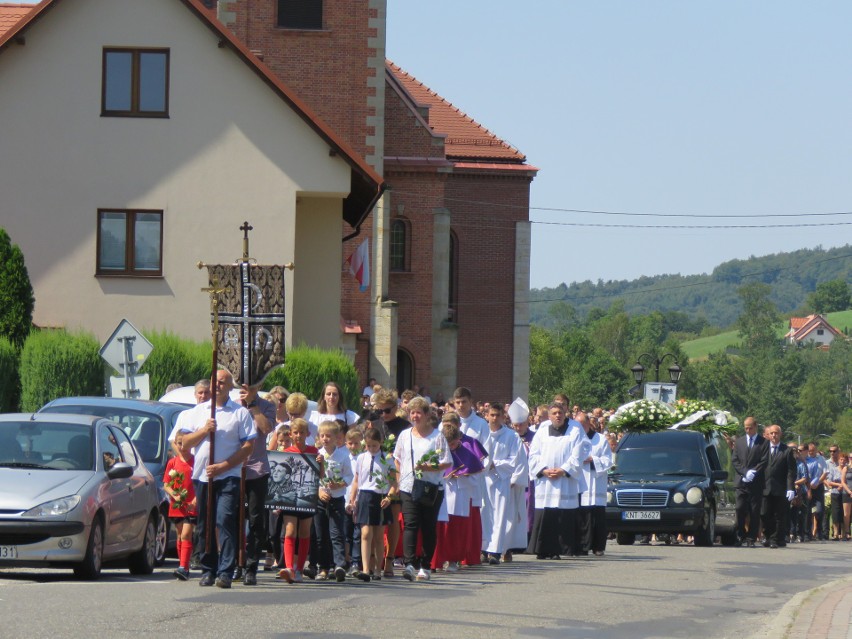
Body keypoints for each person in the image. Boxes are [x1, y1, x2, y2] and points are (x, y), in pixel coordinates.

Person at [180, 369, 256, 588]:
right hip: (202, 477)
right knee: (205, 524)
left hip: (228, 477)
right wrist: (205, 430)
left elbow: (248, 446)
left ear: (230, 387)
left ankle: (225, 571)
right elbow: (185, 443)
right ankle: (208, 569)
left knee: (224, 521)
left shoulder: (239, 413)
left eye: (223, 383)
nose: (218, 386)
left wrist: (224, 466)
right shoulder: (198, 412)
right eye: (215, 382)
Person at [393, 396, 452, 582]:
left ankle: (425, 565)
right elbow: (397, 458)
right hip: (408, 487)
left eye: (419, 412)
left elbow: (446, 462)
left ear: (427, 415)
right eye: (412, 412)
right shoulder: (405, 435)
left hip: (431, 487)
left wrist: (429, 468)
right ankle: (409, 564)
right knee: (410, 524)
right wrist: (398, 480)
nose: (415, 416)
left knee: (428, 527)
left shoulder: (437, 436)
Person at [526, 403, 590, 560]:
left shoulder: (574, 431)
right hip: (546, 482)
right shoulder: (541, 432)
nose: (557, 415)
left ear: (565, 413)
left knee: (562, 515)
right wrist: (543, 469)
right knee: (545, 514)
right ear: (549, 416)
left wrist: (564, 470)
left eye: (560, 413)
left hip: (564, 481)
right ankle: (542, 549)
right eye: (554, 413)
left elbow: (578, 454)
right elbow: (533, 454)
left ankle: (560, 549)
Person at [433, 416, 484, 572]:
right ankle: (437, 560)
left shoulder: (468, 454)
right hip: (441, 494)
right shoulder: (438, 452)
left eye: (453, 444)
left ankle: (454, 560)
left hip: (459, 495)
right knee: (441, 529)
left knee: (457, 530)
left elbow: (476, 477)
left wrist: (461, 476)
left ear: (458, 440)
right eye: (448, 445)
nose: (451, 448)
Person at [277, 418, 324, 584]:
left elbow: (321, 476)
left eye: (301, 432)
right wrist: (276, 501)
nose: (298, 435)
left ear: (307, 434)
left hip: (307, 497)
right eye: (295, 432)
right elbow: (278, 479)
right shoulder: (286, 452)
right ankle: (289, 567)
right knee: (290, 531)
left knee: (304, 532)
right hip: (289, 498)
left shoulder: (314, 451)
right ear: (290, 434)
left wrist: (321, 463)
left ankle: (299, 570)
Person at [237, 383, 275, 585]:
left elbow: (266, 428)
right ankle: (236, 563)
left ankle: (251, 566)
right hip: (234, 468)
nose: (244, 388)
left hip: (257, 468)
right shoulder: (233, 405)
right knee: (233, 518)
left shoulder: (266, 406)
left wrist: (253, 406)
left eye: (249, 386)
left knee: (255, 520)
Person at [481, 403, 527, 565]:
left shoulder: (511, 436)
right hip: (483, 480)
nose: (494, 418)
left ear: (503, 417)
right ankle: (483, 548)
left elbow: (515, 460)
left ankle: (495, 550)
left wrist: (495, 464)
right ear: (487, 415)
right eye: (491, 415)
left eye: (497, 415)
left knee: (500, 516)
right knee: (483, 513)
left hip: (501, 481)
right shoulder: (482, 432)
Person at [350, 427, 397, 582]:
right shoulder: (361, 458)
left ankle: (377, 569)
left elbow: (393, 483)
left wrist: (389, 497)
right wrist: (352, 497)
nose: (371, 449)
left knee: (378, 536)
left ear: (381, 443)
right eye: (369, 446)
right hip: (364, 496)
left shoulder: (387, 459)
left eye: (374, 446)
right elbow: (356, 481)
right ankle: (365, 568)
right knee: (365, 533)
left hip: (380, 496)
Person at [314, 420, 354, 582]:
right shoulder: (317, 455)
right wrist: (319, 491)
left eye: (328, 436)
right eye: (322, 435)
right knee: (321, 534)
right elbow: (313, 477)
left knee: (336, 533)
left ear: (337, 437)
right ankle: (323, 567)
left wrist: (340, 484)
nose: (325, 439)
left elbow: (349, 476)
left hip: (337, 498)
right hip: (321, 499)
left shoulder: (343, 456)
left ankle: (339, 565)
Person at [577, 412, 612, 556]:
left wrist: (593, 460)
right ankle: (581, 546)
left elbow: (608, 460)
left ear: (588, 423)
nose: (580, 427)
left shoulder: (600, 439)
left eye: (582, 424)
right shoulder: (573, 439)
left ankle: (598, 546)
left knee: (597, 517)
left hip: (596, 483)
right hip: (580, 482)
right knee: (581, 516)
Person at [163, 432, 197, 580]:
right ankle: (182, 565)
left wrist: (195, 500)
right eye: (179, 443)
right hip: (177, 504)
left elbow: (201, 483)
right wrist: (175, 495)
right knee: (179, 535)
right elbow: (166, 484)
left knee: (186, 534)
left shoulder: (196, 461)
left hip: (191, 505)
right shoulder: (172, 462)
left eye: (185, 443)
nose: (182, 447)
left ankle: (184, 566)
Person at [731, 416, 768, 547]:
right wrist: (744, 472)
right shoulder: (740, 442)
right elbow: (735, 460)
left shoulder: (763, 442)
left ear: (755, 426)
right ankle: (740, 535)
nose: (747, 430)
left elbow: (764, 460)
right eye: (745, 428)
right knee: (740, 509)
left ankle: (751, 538)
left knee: (754, 511)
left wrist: (754, 472)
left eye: (750, 428)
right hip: (741, 482)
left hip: (756, 482)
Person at [760, 424, 796, 549]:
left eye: (776, 433)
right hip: (765, 487)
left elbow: (791, 471)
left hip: (780, 488)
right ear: (768, 435)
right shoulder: (763, 449)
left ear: (780, 434)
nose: (774, 435)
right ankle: (768, 536)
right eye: (772, 433)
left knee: (778, 515)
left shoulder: (787, 450)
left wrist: (790, 488)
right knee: (765, 513)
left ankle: (774, 539)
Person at [344, 428, 364, 575]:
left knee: (357, 533)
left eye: (356, 443)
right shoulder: (344, 458)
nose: (353, 446)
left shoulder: (363, 458)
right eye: (350, 443)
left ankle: (356, 561)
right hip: (346, 500)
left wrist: (356, 499)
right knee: (346, 533)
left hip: (360, 500)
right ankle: (346, 560)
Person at [804, 442, 828, 540]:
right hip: (807, 486)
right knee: (807, 510)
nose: (811, 452)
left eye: (813, 450)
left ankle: (819, 531)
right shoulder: (805, 459)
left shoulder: (821, 459)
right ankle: (807, 533)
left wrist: (818, 482)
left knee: (819, 510)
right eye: (809, 451)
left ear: (816, 450)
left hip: (818, 486)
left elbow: (825, 472)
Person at [825, 445, 843, 540]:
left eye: (834, 451)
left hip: (844, 492)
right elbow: (825, 477)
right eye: (830, 451)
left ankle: (843, 533)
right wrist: (831, 486)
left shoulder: (843, 463)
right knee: (833, 512)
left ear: (838, 451)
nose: (832, 453)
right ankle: (831, 532)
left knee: (843, 512)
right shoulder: (827, 463)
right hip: (830, 491)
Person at [839, 452, 852, 541]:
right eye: (850, 457)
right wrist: (849, 491)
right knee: (846, 514)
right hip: (847, 492)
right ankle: (847, 532)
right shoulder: (846, 468)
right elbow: (843, 482)